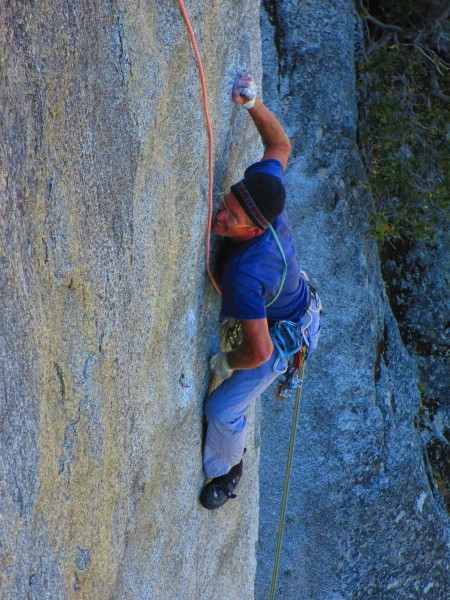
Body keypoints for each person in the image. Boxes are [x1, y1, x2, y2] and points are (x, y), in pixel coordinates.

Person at [200, 72, 316, 510]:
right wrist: (253, 104)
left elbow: (262, 352)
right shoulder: (262, 190)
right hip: (293, 299)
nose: (220, 217)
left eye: (231, 219)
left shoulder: (245, 273)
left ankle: (227, 472)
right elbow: (280, 146)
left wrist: (224, 361)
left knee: (222, 410)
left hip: (285, 339)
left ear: (256, 228)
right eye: (225, 205)